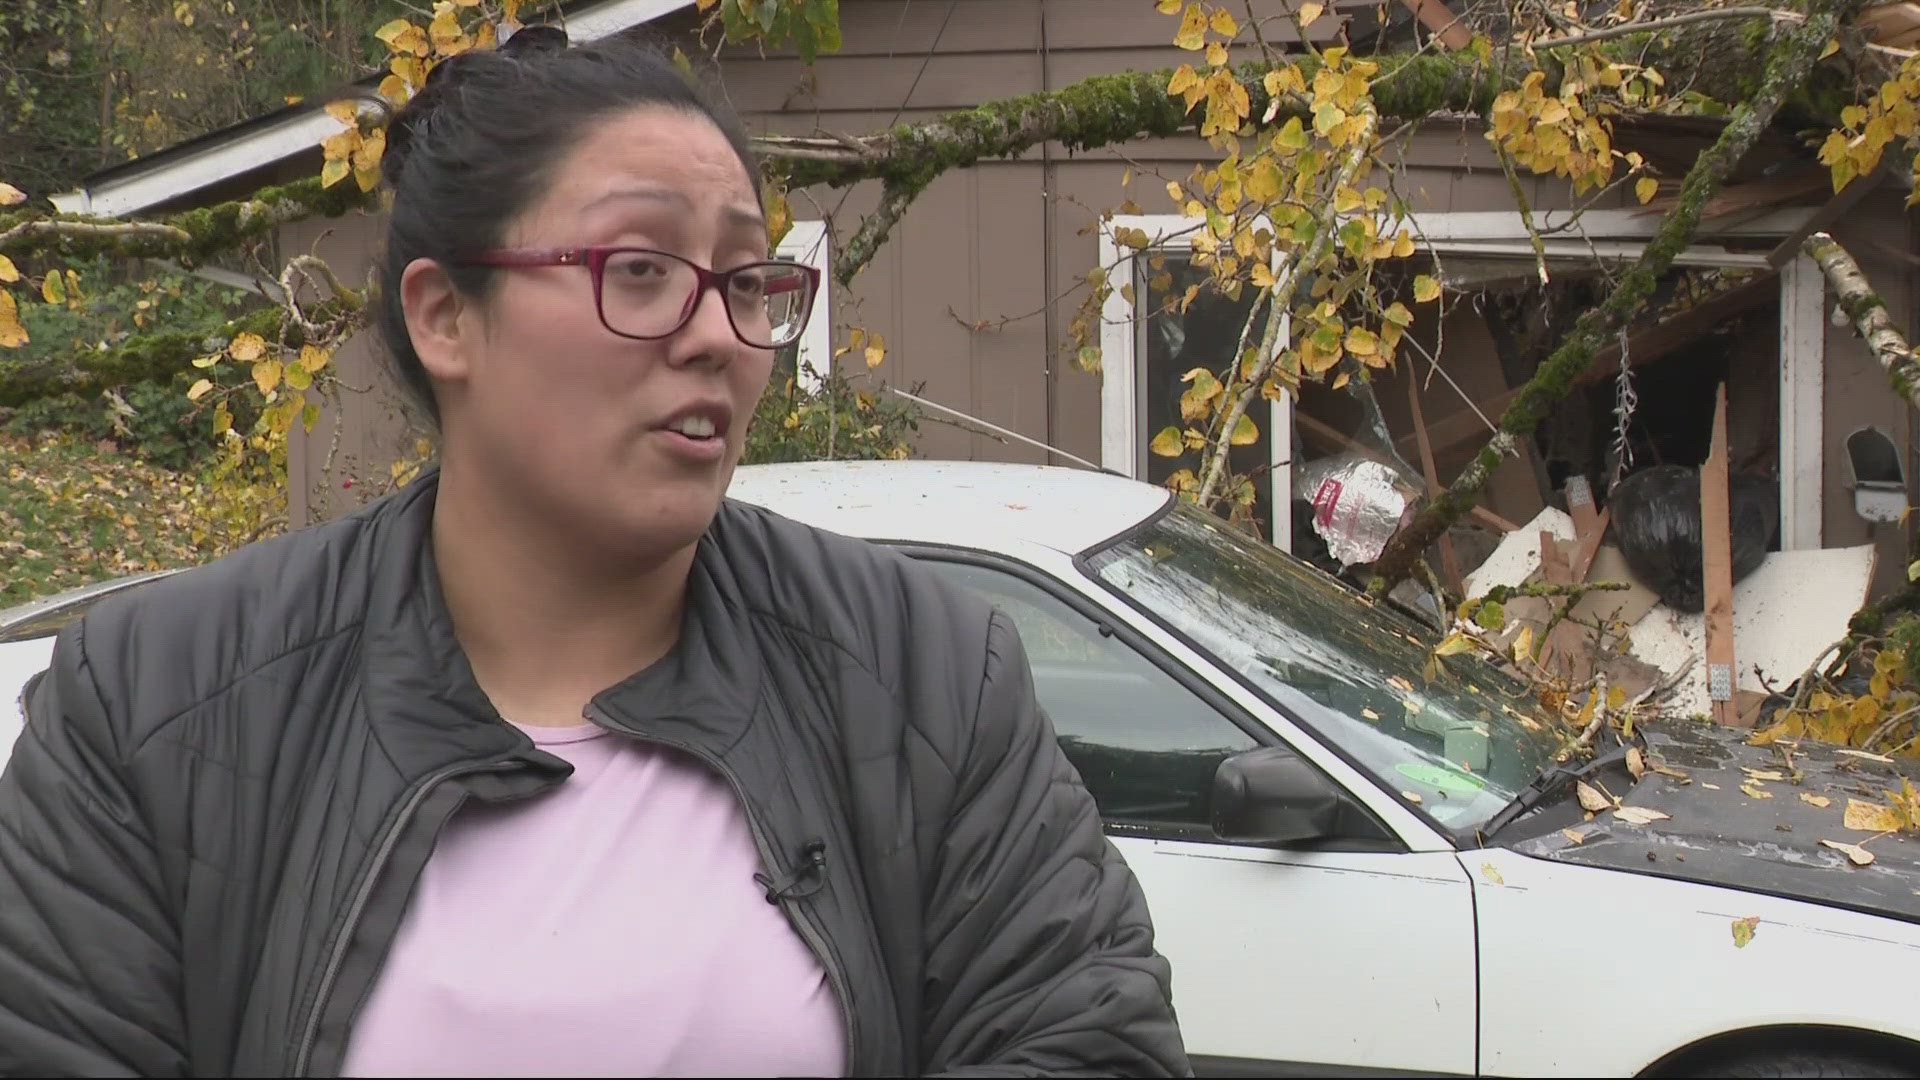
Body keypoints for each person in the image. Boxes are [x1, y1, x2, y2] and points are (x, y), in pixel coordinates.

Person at [0, 26, 1188, 1079]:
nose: (718, 334)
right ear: (445, 316)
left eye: (746, 280)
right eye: (641, 270)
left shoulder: (920, 673)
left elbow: (1087, 1037)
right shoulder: (157, 705)